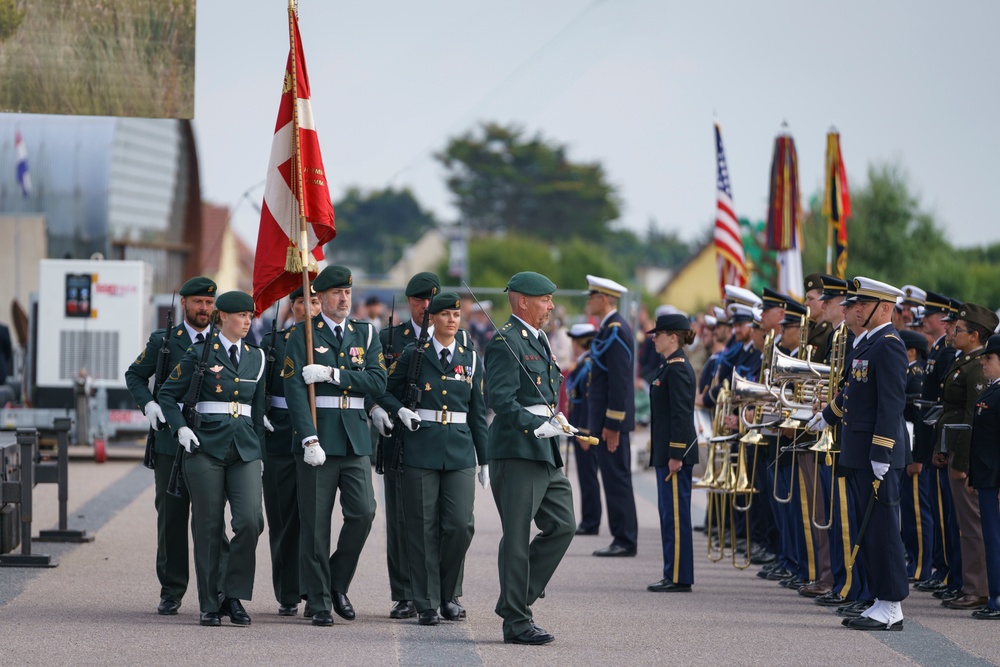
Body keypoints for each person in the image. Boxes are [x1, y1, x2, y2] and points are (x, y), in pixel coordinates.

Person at [283, 265, 386, 627]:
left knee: (364, 513)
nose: (344, 299)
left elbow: (377, 379)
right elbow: (295, 391)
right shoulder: (303, 334)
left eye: (348, 293)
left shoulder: (366, 333)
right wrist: (308, 437)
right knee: (315, 525)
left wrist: (332, 374)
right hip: (319, 438)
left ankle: (335, 583)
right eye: (336, 294)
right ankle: (321, 602)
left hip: (355, 437)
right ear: (320, 298)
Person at [377, 291, 488, 626]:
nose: (452, 321)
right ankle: (426, 602)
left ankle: (448, 594)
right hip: (420, 448)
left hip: (458, 450)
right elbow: (380, 387)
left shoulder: (469, 358)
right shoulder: (414, 354)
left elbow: (477, 412)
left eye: (456, 315)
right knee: (421, 528)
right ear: (433, 319)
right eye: (445, 315)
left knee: (460, 525)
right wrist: (399, 411)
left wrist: (484, 459)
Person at [158, 290, 266, 627]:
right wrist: (179, 429)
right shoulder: (200, 353)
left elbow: (257, 411)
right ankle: (209, 602)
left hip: (244, 447)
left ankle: (231, 594)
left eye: (250, 315)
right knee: (208, 526)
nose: (248, 321)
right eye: (241, 315)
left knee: (251, 521)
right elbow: (166, 393)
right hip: (204, 447)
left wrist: (259, 453)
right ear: (223, 317)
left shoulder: (257, 357)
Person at [809, 277, 909, 631]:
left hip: (876, 454)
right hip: (857, 451)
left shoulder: (888, 344)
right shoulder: (865, 344)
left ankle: (892, 605)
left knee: (881, 529)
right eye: (851, 304)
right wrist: (826, 416)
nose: (852, 310)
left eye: (861, 305)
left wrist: (882, 452)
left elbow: (891, 403)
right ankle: (881, 598)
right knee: (867, 531)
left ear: (884, 308)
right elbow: (853, 392)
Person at [485, 271, 575, 645]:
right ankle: (517, 621)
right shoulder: (506, 341)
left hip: (545, 447)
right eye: (545, 299)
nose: (551, 306)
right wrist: (537, 424)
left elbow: (544, 394)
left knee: (563, 524)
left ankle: (514, 599)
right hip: (519, 449)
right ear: (523, 301)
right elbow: (501, 401)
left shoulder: (538, 340)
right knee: (518, 537)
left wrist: (554, 419)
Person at [124, 276, 217, 617]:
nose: (204, 308)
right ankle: (172, 589)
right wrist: (148, 404)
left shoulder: (224, 340)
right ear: (185, 305)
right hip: (169, 442)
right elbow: (134, 374)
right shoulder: (164, 341)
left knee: (211, 520)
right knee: (172, 519)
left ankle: (219, 589)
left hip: (211, 442)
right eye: (198, 302)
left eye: (209, 303)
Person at [366, 271, 440, 620]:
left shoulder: (456, 336)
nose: (426, 306)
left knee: (443, 520)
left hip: (437, 438)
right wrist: (376, 408)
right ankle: (405, 593)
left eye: (431, 300)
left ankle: (446, 593)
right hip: (399, 437)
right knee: (400, 519)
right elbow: (374, 381)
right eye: (419, 300)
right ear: (409, 301)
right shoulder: (389, 337)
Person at [259, 283, 320, 617]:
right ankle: (287, 591)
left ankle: (315, 590)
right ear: (293, 306)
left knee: (313, 518)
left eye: (313, 302)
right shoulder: (274, 342)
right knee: (284, 518)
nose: (307, 308)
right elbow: (258, 388)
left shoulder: (325, 344)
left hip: (317, 435)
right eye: (301, 302)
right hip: (281, 434)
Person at [934, 302, 999, 610]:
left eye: (958, 330)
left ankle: (978, 587)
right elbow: (950, 411)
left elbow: (973, 420)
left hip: (966, 457)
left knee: (972, 526)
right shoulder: (963, 361)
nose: (952, 332)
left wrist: (962, 463)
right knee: (961, 524)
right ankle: (966, 582)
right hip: (953, 449)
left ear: (974, 335)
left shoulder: (977, 367)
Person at [586, 274, 638, 558]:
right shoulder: (608, 329)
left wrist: (613, 423)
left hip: (611, 423)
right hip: (605, 420)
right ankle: (622, 536)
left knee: (617, 478)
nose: (589, 302)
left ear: (603, 299)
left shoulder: (616, 330)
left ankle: (625, 539)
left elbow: (620, 381)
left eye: (592, 297)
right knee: (612, 477)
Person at [645, 313, 698, 593]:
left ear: (673, 338)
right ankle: (673, 572)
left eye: (659, 334)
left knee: (675, 515)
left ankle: (678, 575)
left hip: (674, 456)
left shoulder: (677, 368)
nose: (654, 338)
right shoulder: (669, 365)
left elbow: (681, 416)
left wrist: (676, 454)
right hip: (667, 453)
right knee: (669, 514)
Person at [970, 334, 1000, 619]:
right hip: (987, 477)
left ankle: (998, 599)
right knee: (991, 539)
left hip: (996, 479)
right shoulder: (993, 389)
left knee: (995, 539)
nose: (983, 361)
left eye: (989, 358)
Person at [565, 322, 599, 535]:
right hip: (578, 427)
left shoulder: (588, 366)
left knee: (588, 477)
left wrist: (584, 432)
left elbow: (588, 402)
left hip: (584, 430)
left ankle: (591, 521)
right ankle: (589, 518)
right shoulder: (583, 363)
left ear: (579, 343)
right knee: (586, 476)